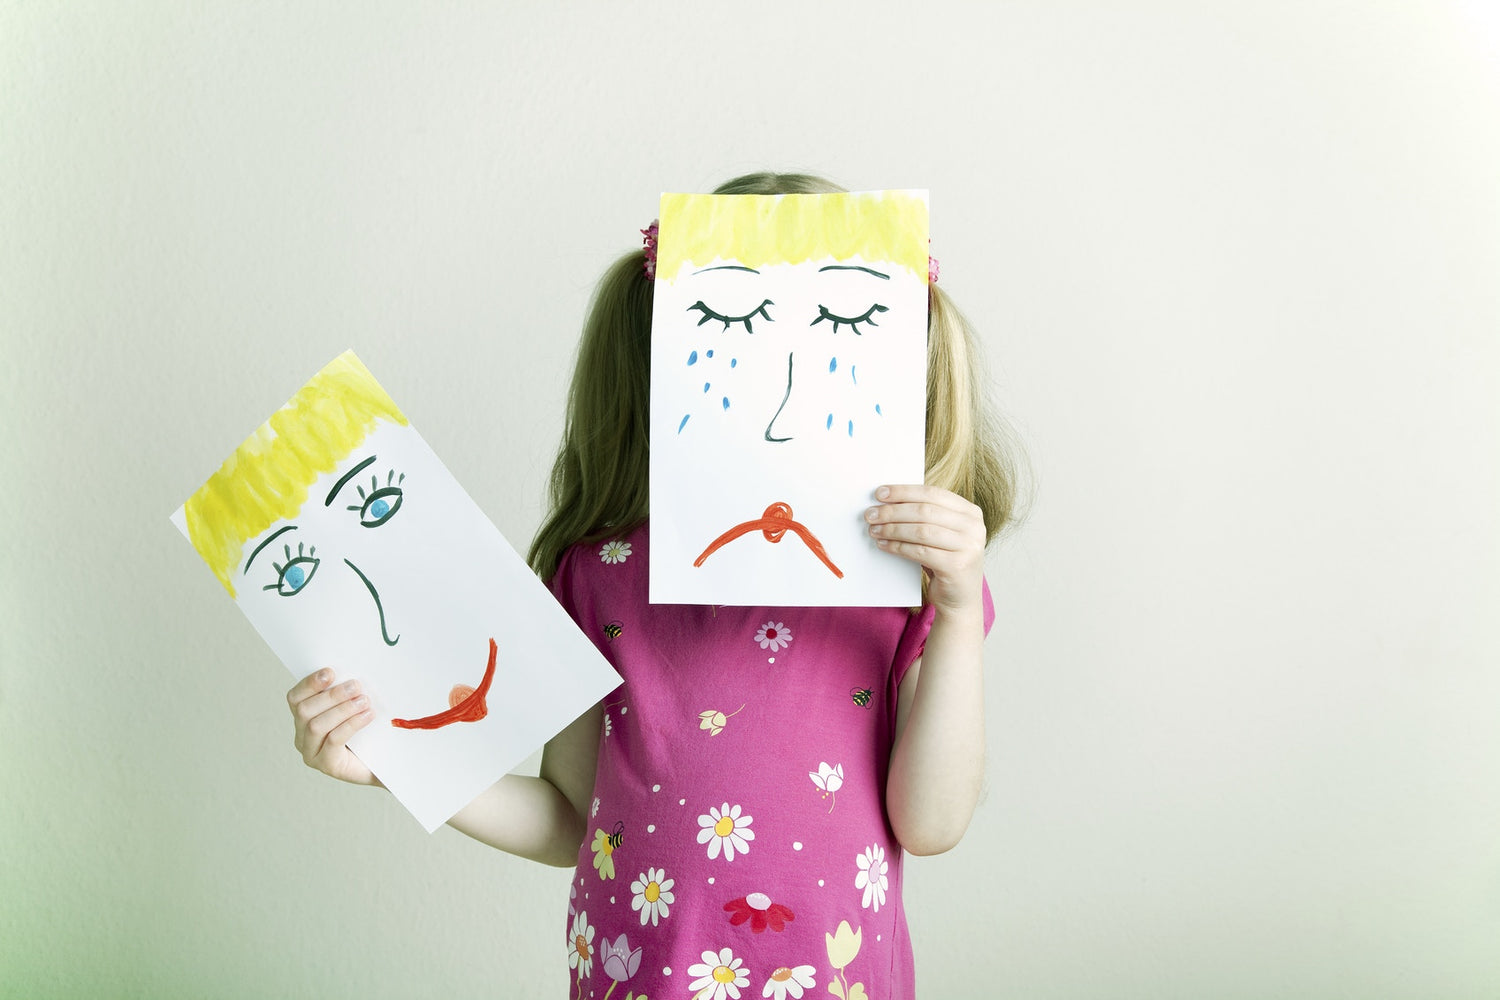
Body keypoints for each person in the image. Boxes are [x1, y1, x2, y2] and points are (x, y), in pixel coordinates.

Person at [286, 172, 1020, 999]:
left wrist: (957, 608)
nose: (781, 391)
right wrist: (399, 760)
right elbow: (569, 816)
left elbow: (931, 822)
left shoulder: (911, 588)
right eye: (733, 335)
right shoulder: (597, 574)